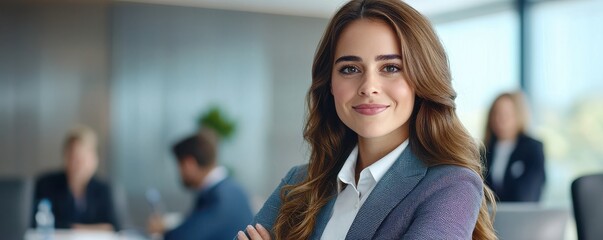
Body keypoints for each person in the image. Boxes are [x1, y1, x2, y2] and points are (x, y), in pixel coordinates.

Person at [237, 0, 497, 239]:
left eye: (391, 68)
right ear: (330, 84)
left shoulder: (451, 185)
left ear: (422, 81)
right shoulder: (299, 182)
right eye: (350, 69)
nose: (368, 87)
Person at [148, 129, 253, 240]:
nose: (179, 173)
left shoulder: (216, 198)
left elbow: (185, 236)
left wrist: (162, 231)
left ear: (189, 164)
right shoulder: (235, 189)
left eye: (179, 166)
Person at [31, 126, 119, 231]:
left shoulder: (105, 189)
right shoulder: (46, 184)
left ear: (94, 159)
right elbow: (35, 222)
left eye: (82, 158)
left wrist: (74, 228)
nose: (76, 163)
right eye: (72, 157)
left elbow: (115, 227)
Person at [483, 91, 546, 202]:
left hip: (522, 216)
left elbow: (530, 192)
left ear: (518, 116)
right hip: (489, 217)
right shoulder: (483, 151)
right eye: (496, 114)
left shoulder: (532, 149)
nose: (501, 120)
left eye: (507, 115)